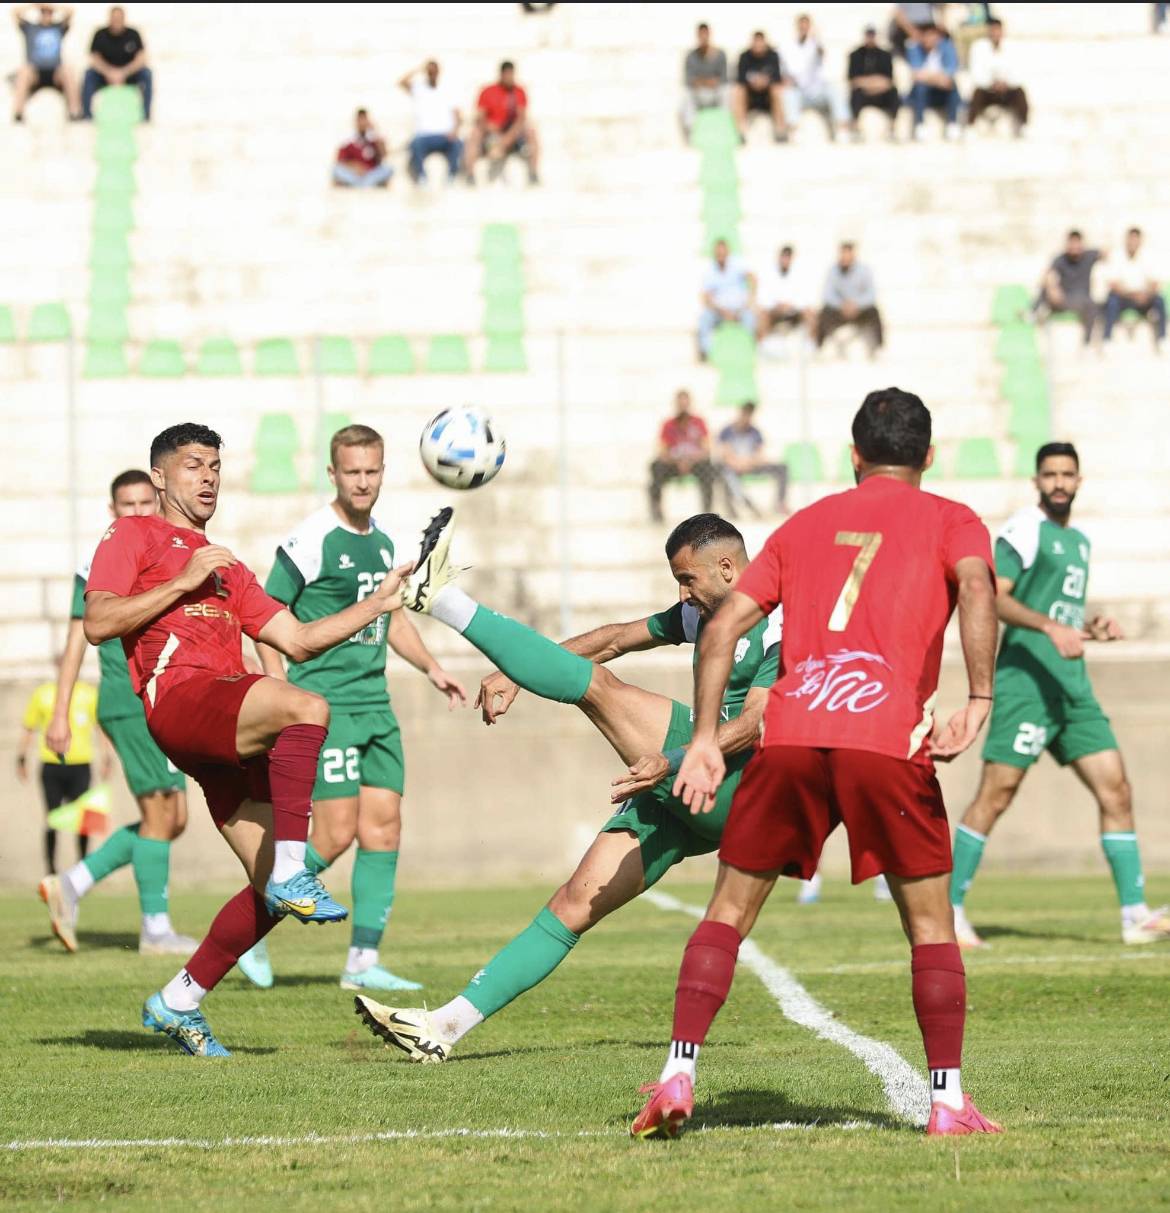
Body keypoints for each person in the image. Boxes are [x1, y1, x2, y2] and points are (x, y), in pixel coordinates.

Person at [632, 386, 1003, 1140]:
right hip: (884, 737)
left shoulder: (805, 524)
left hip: (792, 732)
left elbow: (724, 624)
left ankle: (677, 1070)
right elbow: (975, 582)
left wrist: (706, 737)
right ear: (927, 456)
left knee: (729, 910)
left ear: (855, 455)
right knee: (930, 925)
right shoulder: (951, 520)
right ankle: (947, 1100)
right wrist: (982, 696)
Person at [350, 512, 782, 1063]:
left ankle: (441, 600)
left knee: (599, 691)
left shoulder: (777, 621)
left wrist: (673, 760)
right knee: (572, 904)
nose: (682, 592)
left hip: (735, 787)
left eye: (687, 579)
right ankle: (442, 1027)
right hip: (683, 785)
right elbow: (613, 639)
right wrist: (516, 673)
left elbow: (753, 727)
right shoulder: (707, 611)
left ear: (726, 566)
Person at [77, 421, 418, 1056]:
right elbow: (98, 621)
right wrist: (179, 582)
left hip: (226, 715)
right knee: (307, 707)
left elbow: (298, 639)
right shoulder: (134, 533)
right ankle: (295, 867)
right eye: (192, 465)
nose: (207, 477)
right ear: (159, 476)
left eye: (214, 466)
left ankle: (179, 998)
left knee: (269, 895)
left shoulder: (228, 567)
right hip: (180, 699)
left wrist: (379, 603)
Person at [243, 425, 467, 993]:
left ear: (382, 473)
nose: (362, 481)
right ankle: (250, 933)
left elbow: (391, 618)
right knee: (336, 831)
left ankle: (362, 961)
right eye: (352, 472)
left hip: (376, 707)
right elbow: (266, 617)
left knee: (384, 829)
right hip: (329, 707)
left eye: (371, 471)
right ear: (333, 474)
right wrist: (280, 690)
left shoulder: (386, 544)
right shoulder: (311, 539)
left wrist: (432, 668)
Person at [950, 443, 1170, 948]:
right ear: (1036, 481)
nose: (1058, 483)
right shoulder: (1025, 530)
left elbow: (1058, 615)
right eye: (1049, 474)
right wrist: (1050, 625)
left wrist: (1088, 626)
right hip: (1026, 684)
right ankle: (950, 908)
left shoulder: (1079, 543)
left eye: (1067, 474)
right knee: (996, 794)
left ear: (1078, 480)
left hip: (1072, 688)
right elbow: (994, 594)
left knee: (1117, 790)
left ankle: (1134, 914)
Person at [37, 470, 194, 957]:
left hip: (163, 696)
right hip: (131, 700)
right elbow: (74, 645)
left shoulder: (166, 552)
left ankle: (73, 882)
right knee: (160, 812)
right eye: (129, 505)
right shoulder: (102, 560)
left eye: (147, 503)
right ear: (113, 511)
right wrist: (59, 713)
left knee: (174, 817)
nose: (139, 512)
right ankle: (154, 928)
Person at [19, 659, 110, 873]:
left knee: (83, 820)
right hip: (52, 764)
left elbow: (100, 728)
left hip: (80, 764)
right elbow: (29, 728)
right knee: (52, 818)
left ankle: (82, 868)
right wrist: (21, 758)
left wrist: (106, 758)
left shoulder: (88, 694)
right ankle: (50, 870)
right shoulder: (43, 694)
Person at [464, 60, 540, 185]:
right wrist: (489, 128)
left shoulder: (519, 91)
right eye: (507, 74)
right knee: (474, 134)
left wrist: (507, 138)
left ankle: (533, 173)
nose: (510, 78)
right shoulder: (488, 91)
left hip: (512, 133)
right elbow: (480, 117)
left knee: (531, 131)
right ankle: (470, 174)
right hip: (491, 132)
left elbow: (521, 118)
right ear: (502, 74)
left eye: (512, 74)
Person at [648, 390, 718, 522]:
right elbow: (662, 451)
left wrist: (689, 460)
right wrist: (677, 461)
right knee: (655, 467)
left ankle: (707, 512)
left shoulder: (699, 422)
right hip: (673, 464)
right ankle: (656, 510)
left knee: (708, 468)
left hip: (695, 464)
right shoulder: (668, 425)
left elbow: (706, 449)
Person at [780, 13, 848, 141]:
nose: (804, 28)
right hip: (799, 91)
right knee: (788, 94)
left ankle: (842, 129)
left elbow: (821, 53)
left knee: (836, 90)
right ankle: (793, 131)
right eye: (801, 25)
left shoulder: (816, 43)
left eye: (806, 25)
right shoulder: (788, 46)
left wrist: (816, 37)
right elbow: (784, 71)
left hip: (818, 91)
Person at [716, 403, 788, 518]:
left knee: (782, 468)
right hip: (733, 467)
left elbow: (759, 454)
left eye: (749, 415)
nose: (747, 418)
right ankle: (740, 507)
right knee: (725, 472)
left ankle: (779, 503)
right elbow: (725, 454)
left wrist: (748, 463)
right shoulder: (727, 431)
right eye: (745, 414)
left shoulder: (755, 432)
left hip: (751, 465)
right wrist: (738, 464)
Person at [11, 3, 80, 121]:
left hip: (54, 73)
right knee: (24, 71)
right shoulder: (30, 28)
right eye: (44, 12)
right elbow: (15, 13)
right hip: (35, 73)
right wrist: (36, 5)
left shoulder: (58, 28)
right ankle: (18, 112)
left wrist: (51, 5)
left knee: (68, 70)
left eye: (49, 13)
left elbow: (71, 12)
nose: (46, 15)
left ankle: (74, 112)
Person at [81, 5, 151, 122]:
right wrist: (109, 72)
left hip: (128, 74)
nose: (116, 21)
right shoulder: (100, 34)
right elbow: (94, 58)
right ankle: (87, 115)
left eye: (119, 18)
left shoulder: (133, 34)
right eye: (114, 18)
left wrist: (123, 73)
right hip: (104, 74)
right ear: (109, 19)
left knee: (146, 74)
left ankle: (145, 116)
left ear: (124, 19)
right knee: (89, 75)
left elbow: (141, 58)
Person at [399, 60, 462, 184]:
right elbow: (401, 82)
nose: (432, 73)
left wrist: (455, 131)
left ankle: (451, 178)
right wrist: (419, 68)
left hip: (445, 135)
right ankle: (422, 179)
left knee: (458, 144)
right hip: (423, 136)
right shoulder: (419, 88)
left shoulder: (448, 90)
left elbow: (458, 115)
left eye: (434, 70)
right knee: (415, 145)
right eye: (429, 71)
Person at [1035, 230, 1101, 347]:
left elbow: (1107, 252)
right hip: (1064, 299)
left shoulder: (1089, 255)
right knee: (1046, 291)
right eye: (1072, 243)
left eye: (1077, 243)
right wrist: (1052, 287)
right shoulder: (1060, 259)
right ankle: (1034, 312)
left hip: (1082, 300)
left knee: (1090, 304)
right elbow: (1047, 275)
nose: (1074, 246)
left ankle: (1087, 343)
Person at [817, 242, 884, 356]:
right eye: (843, 254)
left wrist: (856, 304)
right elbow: (827, 295)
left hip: (859, 310)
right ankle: (819, 347)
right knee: (824, 313)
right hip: (840, 310)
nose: (845, 257)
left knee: (874, 312)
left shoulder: (864, 270)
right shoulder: (832, 271)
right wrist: (842, 305)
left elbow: (871, 294)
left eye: (848, 254)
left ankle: (879, 347)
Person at [1103, 227, 1165, 349]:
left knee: (1159, 300)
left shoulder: (1148, 256)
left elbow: (1155, 283)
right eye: (1131, 239)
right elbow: (1113, 284)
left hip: (1144, 298)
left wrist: (1145, 295)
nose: (1133, 242)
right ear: (1126, 240)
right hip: (1124, 298)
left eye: (1136, 239)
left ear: (1140, 241)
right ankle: (1107, 340)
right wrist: (1132, 295)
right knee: (1111, 300)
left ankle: (1163, 339)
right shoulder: (1117, 256)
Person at [966, 19, 1028, 135]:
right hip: (988, 90)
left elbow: (1018, 74)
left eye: (997, 30)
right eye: (992, 30)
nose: (995, 33)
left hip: (1007, 90)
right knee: (977, 93)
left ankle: (1024, 125)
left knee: (1020, 93)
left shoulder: (1013, 48)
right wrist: (991, 83)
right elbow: (976, 74)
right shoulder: (978, 48)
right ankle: (971, 126)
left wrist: (1006, 83)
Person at [698, 238, 756, 360]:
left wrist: (749, 300)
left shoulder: (737, 264)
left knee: (750, 317)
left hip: (739, 309)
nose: (721, 255)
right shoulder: (710, 270)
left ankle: (749, 350)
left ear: (728, 252)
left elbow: (752, 278)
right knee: (704, 318)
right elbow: (706, 296)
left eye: (723, 252)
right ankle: (706, 353)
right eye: (718, 253)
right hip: (719, 311)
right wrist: (721, 311)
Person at [906, 23, 961, 141]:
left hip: (941, 92)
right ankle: (920, 125)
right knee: (920, 87)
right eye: (925, 36)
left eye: (931, 36)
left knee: (952, 86)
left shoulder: (948, 48)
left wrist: (929, 77)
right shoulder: (914, 49)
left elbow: (949, 75)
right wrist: (937, 79)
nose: (928, 39)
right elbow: (916, 75)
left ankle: (953, 124)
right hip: (922, 92)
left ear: (938, 37)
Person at [731, 30, 785, 143]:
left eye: (761, 42)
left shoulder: (773, 56)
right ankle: (740, 131)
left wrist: (765, 82)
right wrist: (754, 82)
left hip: (767, 97)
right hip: (751, 96)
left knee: (777, 90)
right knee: (738, 91)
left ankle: (780, 130)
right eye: (756, 42)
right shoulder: (745, 56)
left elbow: (777, 78)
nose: (758, 45)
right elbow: (740, 78)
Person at [847, 24, 899, 140]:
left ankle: (893, 128)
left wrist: (868, 83)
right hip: (863, 94)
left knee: (893, 92)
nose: (870, 38)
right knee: (856, 93)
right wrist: (874, 82)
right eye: (868, 35)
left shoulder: (885, 55)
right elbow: (853, 80)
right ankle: (855, 128)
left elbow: (888, 81)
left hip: (881, 94)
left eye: (872, 35)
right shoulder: (855, 55)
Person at [755, 244, 815, 343]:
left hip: (794, 311)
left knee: (811, 316)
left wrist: (791, 305)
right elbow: (763, 297)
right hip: (774, 311)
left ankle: (811, 348)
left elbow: (806, 297)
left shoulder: (801, 272)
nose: (785, 260)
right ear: (779, 257)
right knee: (762, 316)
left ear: (792, 258)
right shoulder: (769, 272)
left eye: (788, 257)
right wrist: (777, 305)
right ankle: (761, 348)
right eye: (783, 257)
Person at [680, 22, 728, 140]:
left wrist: (703, 81)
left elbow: (723, 78)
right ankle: (690, 133)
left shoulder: (720, 54)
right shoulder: (691, 56)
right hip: (699, 94)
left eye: (705, 34)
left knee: (727, 91)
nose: (703, 37)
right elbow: (689, 79)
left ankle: (724, 128)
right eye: (701, 35)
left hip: (715, 93)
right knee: (686, 96)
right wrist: (707, 81)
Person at [332, 108, 392, 189]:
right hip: (354, 174)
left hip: (370, 174)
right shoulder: (348, 140)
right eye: (360, 120)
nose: (362, 123)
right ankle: (361, 184)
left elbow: (384, 156)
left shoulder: (374, 139)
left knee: (388, 169)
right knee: (336, 170)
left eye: (364, 120)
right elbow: (340, 161)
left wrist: (375, 131)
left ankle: (364, 184)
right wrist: (355, 167)